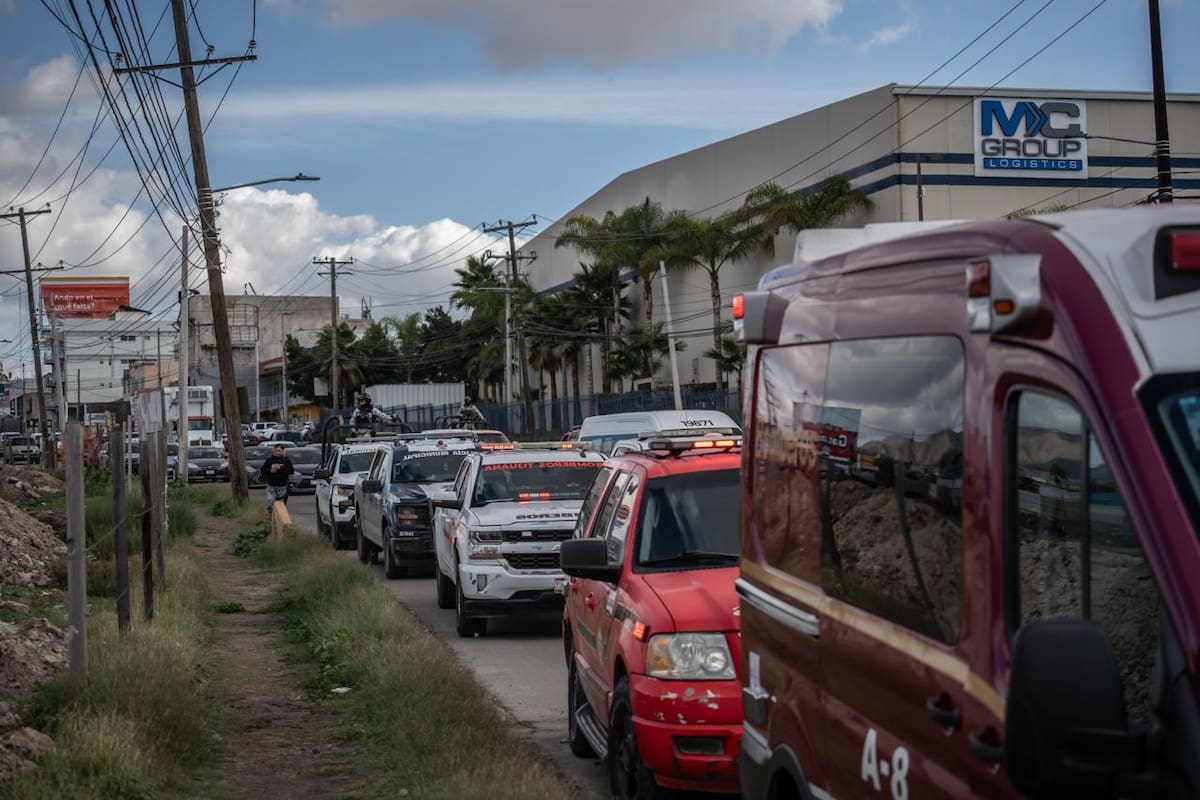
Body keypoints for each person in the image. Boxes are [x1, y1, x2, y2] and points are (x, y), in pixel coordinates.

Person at [258, 444, 294, 514]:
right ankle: (270, 516)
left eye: (279, 451)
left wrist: (280, 468)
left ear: (282, 451)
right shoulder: (269, 460)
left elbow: (291, 470)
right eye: (276, 451)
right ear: (274, 451)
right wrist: (270, 470)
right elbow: (263, 470)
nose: (277, 452)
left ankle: (279, 517)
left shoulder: (286, 460)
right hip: (271, 485)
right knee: (270, 501)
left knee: (280, 504)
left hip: (282, 486)